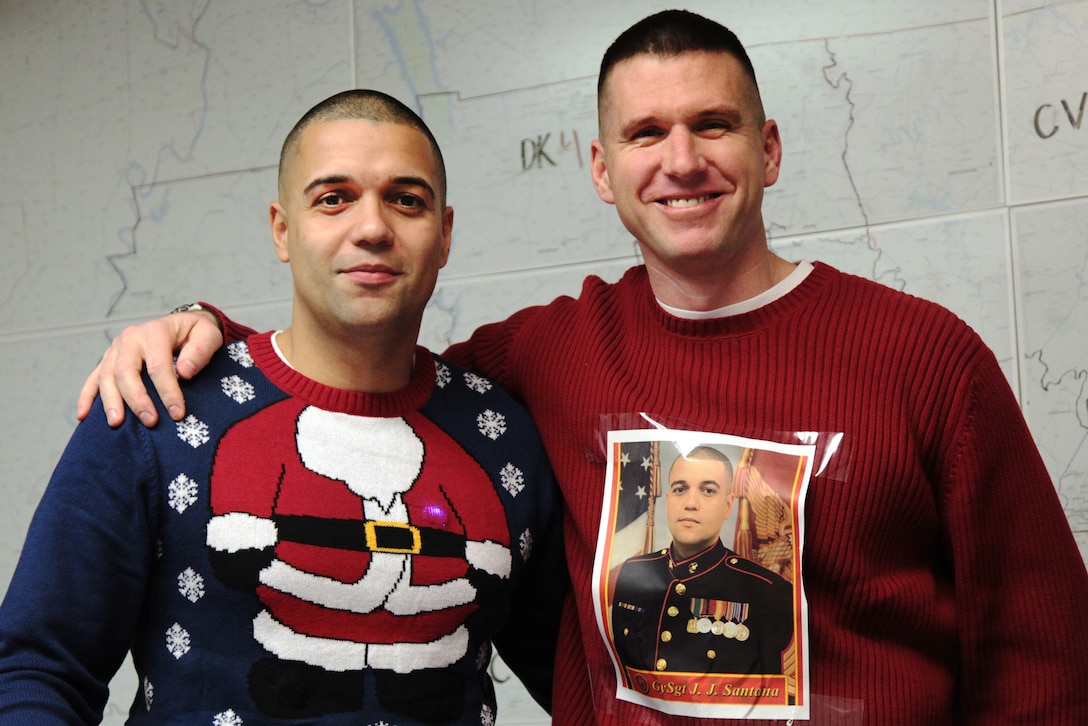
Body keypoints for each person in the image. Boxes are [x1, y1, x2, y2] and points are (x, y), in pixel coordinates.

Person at [73, 9, 1088, 725]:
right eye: (644, 134)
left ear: (768, 148)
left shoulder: (922, 357)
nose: (679, 160)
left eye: (712, 126)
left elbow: (1042, 656)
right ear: (602, 170)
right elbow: (359, 367)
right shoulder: (548, 356)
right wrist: (195, 332)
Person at [0, 89, 565, 725]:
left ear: (444, 235)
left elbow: (580, 679)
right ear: (282, 230)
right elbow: (37, 669)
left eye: (407, 200)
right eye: (333, 199)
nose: (373, 227)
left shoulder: (502, 436)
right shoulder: (160, 409)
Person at [610, 446, 793, 680]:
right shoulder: (633, 572)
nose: (690, 503)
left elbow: (772, 697)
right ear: (667, 500)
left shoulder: (767, 590)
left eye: (708, 490)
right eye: (680, 489)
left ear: (728, 505)